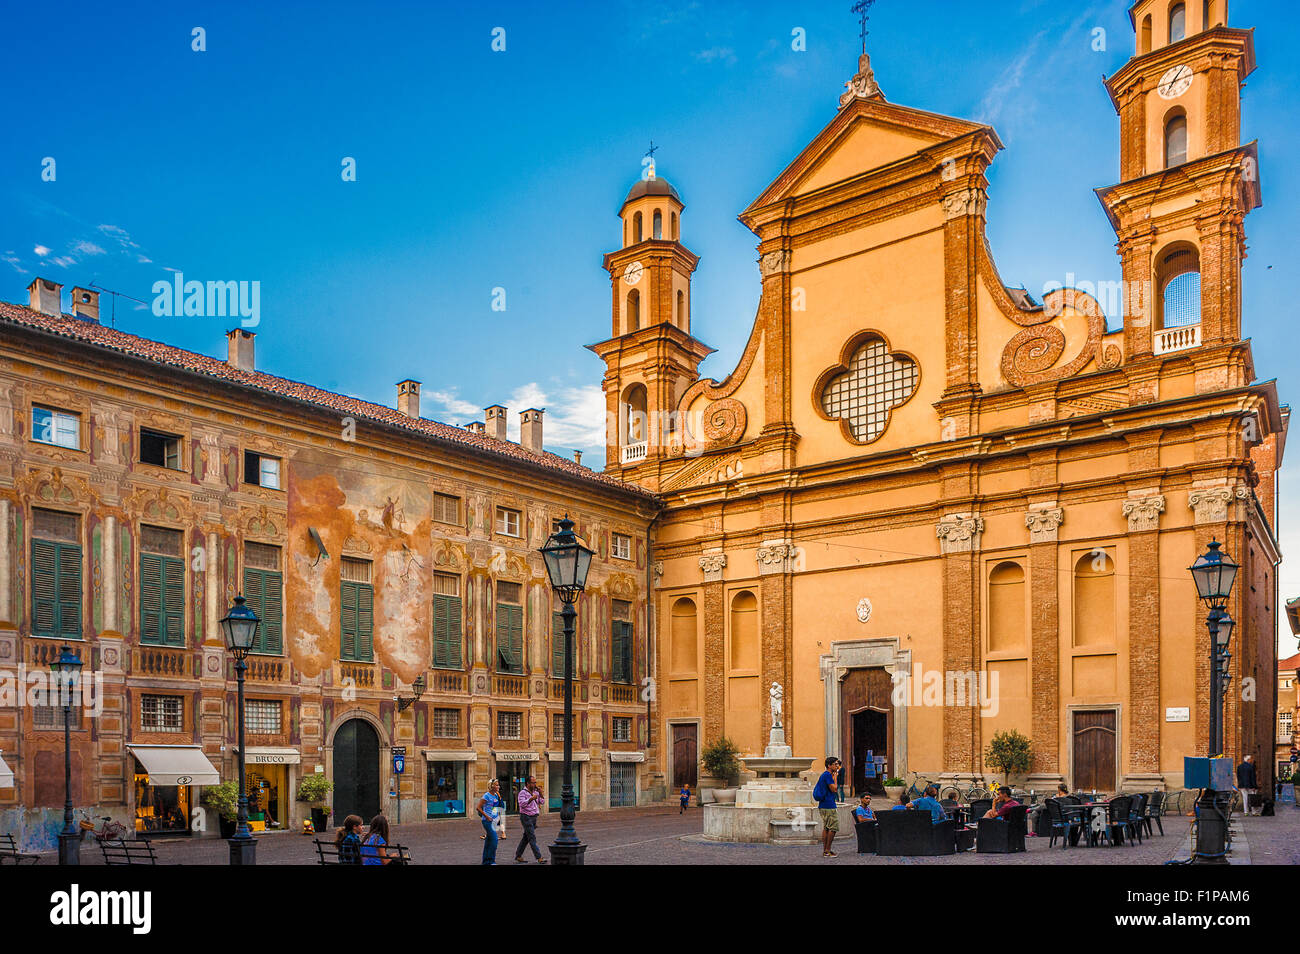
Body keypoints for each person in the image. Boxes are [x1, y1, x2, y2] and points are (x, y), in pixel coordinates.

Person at [812, 756, 842, 858]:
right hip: (829, 805)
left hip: (824, 805)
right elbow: (834, 789)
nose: (837, 766)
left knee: (826, 828)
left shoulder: (825, 775)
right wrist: (836, 777)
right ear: (829, 765)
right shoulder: (828, 775)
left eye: (838, 764)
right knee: (833, 828)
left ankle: (826, 850)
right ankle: (827, 850)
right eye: (835, 764)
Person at [514, 775, 547, 864]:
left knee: (526, 838)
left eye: (535, 782)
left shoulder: (535, 792)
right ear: (528, 783)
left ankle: (518, 855)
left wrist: (540, 793)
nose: (535, 784)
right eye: (533, 782)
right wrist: (531, 799)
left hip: (534, 817)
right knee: (532, 837)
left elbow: (542, 802)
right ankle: (539, 857)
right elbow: (521, 804)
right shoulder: (522, 793)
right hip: (526, 817)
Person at [477, 778, 503, 865]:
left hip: (494, 821)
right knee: (494, 840)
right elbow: (478, 808)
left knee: (488, 841)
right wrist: (487, 817)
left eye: (498, 785)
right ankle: (491, 861)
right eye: (496, 785)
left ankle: (486, 861)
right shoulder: (486, 796)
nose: (498, 786)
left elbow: (496, 807)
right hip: (487, 821)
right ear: (491, 786)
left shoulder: (496, 795)